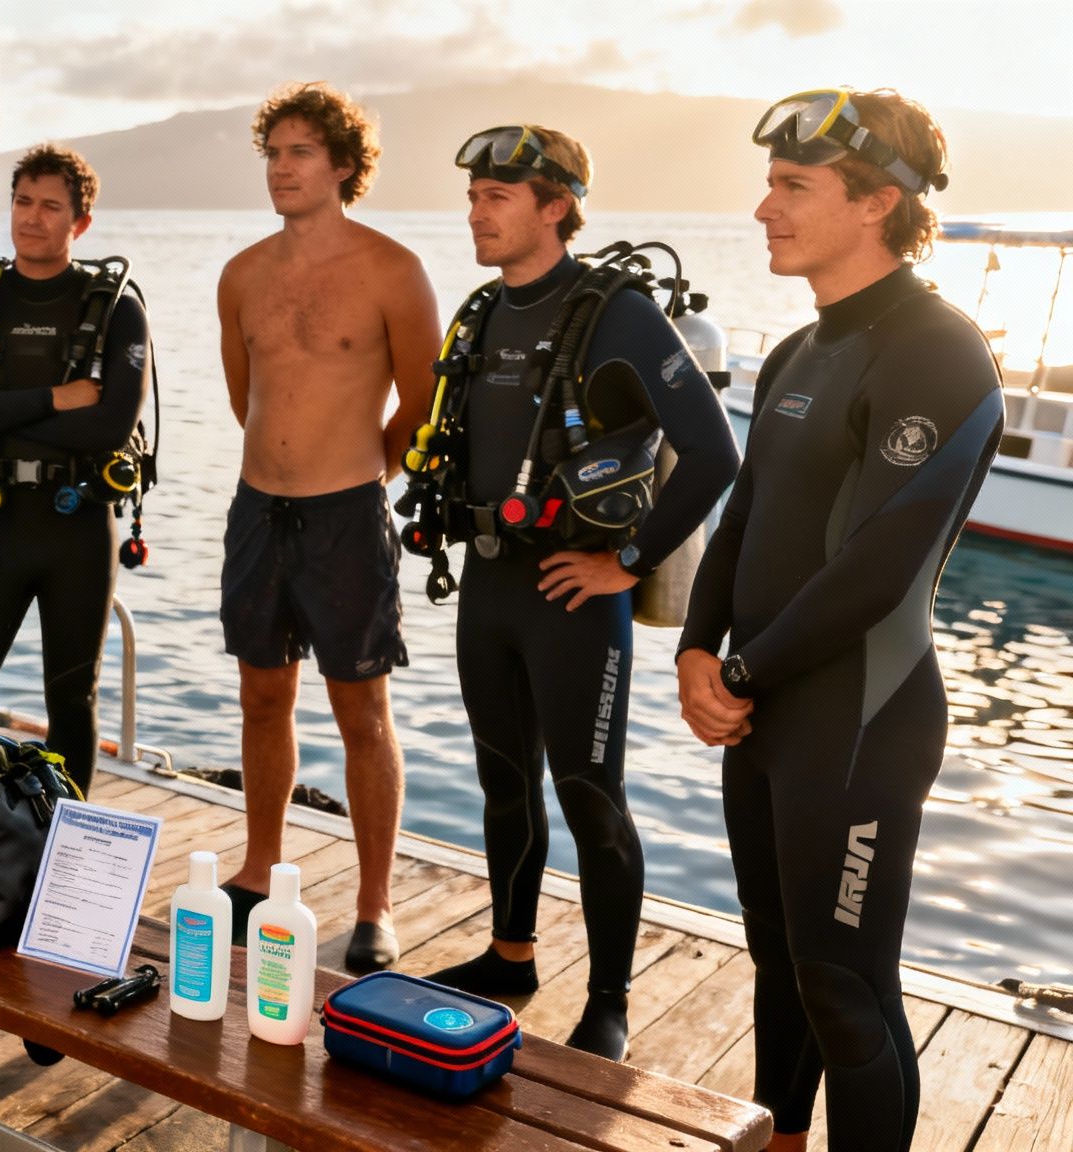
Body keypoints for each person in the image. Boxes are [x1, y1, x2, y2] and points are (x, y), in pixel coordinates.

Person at [677, 89, 998, 1152]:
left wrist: (740, 674)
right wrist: (692, 649)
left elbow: (877, 567)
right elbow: (741, 524)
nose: (762, 207)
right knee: (780, 966)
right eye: (769, 183)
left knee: (846, 991)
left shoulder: (936, 351)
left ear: (875, 203)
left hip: (857, 718)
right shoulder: (793, 354)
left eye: (790, 186)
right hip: (761, 712)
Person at [413, 126, 739, 1061]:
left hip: (574, 596)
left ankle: (609, 1000)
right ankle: (510, 957)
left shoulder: (618, 315)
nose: (476, 211)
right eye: (473, 195)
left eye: (497, 196)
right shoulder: (479, 313)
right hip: (490, 584)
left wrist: (629, 562)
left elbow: (714, 455)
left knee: (591, 794)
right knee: (502, 782)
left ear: (555, 206)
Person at [214, 83, 440, 973]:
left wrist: (358, 477)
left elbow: (422, 405)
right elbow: (246, 398)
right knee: (262, 697)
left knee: (362, 711)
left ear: (344, 165)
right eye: (272, 152)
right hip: (255, 511)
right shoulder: (241, 273)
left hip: (348, 516)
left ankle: (375, 906)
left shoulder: (392, 268)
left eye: (300, 151)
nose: (281, 167)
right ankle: (259, 863)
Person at [0, 143, 149, 798]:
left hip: (78, 530)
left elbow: (108, 427)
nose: (32, 218)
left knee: (72, 703)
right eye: (22, 201)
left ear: (81, 224)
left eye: (50, 206)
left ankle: (66, 855)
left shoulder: (116, 310)